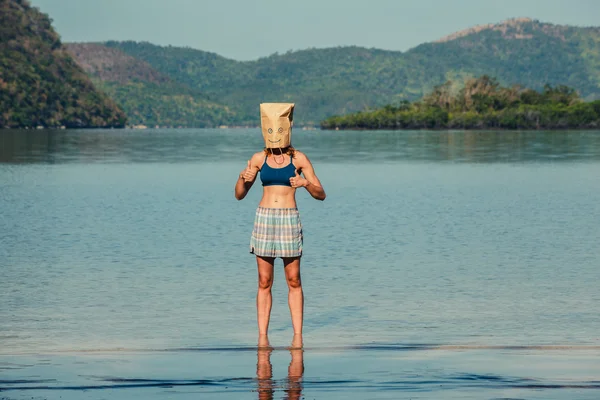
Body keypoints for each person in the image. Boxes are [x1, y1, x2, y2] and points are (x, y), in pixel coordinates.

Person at [235, 103, 326, 341]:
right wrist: (243, 178)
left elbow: (321, 193)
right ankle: (262, 337)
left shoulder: (299, 158)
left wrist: (305, 184)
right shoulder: (257, 158)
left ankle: (298, 337)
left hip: (289, 219)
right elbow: (239, 194)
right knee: (264, 281)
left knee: (293, 279)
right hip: (264, 218)